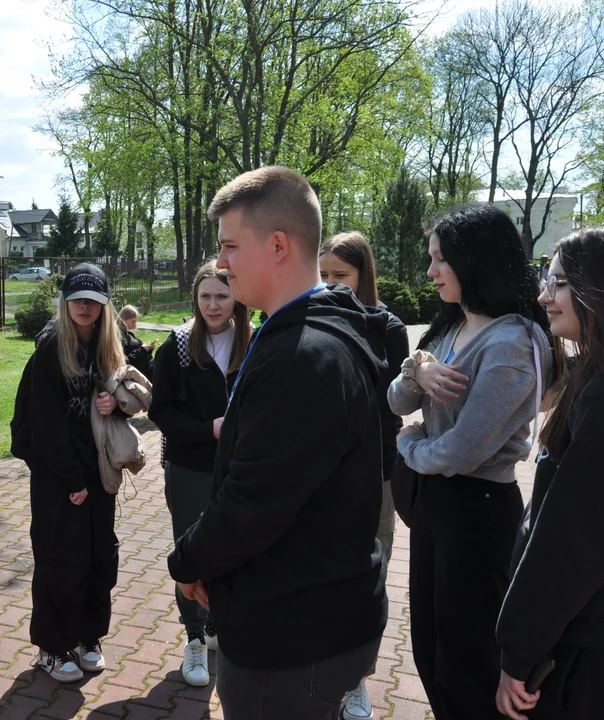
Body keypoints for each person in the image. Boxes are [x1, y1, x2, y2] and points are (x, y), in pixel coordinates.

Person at [167, 167, 388, 719]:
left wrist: (187, 561)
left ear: (279, 246)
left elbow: (254, 500)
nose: (221, 263)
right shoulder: (317, 330)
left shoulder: (302, 357)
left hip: (293, 637)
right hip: (313, 613)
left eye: (230, 246)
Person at [387, 203, 554, 720]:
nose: (431, 271)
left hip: (477, 514)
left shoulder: (510, 344)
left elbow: (461, 453)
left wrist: (407, 446)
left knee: (469, 665)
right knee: (431, 652)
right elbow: (396, 402)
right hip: (436, 508)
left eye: (441, 259)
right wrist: (417, 374)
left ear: (474, 259)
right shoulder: (447, 328)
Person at [495, 229, 604, 719]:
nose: (543, 296)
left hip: (582, 653)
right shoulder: (588, 380)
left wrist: (518, 653)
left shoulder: (598, 400)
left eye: (558, 283)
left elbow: (569, 543)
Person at [13, 262, 129, 683]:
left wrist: (118, 404)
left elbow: (146, 382)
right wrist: (72, 480)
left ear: (104, 305)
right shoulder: (50, 348)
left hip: (98, 470)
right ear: (65, 301)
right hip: (57, 475)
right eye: (77, 298)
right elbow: (43, 426)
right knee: (61, 559)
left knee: (100, 555)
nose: (85, 306)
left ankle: (88, 636)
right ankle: (52, 646)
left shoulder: (108, 343)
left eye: (94, 300)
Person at [320, 231, 410, 720]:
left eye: (342, 275)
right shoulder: (313, 319)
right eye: (325, 275)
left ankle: (356, 679)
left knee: (370, 574)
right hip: (322, 474)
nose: (332, 285)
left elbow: (391, 405)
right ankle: (324, 672)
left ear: (364, 275)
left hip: (376, 471)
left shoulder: (389, 327)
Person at [149, 260, 250, 687]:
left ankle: (216, 627)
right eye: (205, 296)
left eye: (222, 296)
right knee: (191, 549)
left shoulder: (256, 342)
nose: (213, 305)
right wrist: (208, 429)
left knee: (233, 549)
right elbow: (161, 412)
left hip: (240, 469)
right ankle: (193, 635)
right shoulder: (176, 347)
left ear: (236, 300)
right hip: (190, 468)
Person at [118, 304, 156, 378]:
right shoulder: (118, 337)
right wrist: (142, 349)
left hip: (149, 366)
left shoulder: (129, 334)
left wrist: (148, 349)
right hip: (143, 372)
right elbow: (125, 361)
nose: (135, 326)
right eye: (133, 322)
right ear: (123, 319)